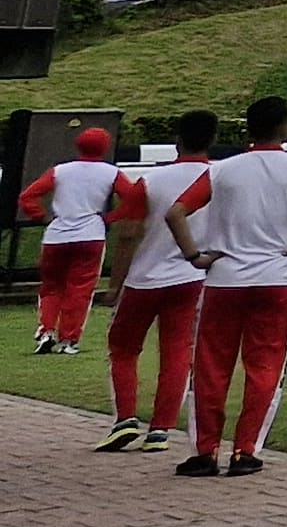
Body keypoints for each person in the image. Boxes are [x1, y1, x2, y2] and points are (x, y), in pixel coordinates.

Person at [164, 95, 287, 475]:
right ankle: (245, 450)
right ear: (285, 127)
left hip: (224, 278)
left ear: (248, 127)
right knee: (265, 365)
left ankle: (204, 451)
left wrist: (194, 255)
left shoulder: (223, 170)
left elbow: (176, 212)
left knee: (212, 365)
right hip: (276, 276)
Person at [94, 111, 214, 454]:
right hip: (192, 275)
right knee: (177, 351)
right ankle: (160, 429)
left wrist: (115, 285)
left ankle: (126, 418)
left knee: (123, 347)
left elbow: (129, 233)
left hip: (145, 278)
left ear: (177, 139)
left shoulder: (151, 180)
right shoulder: (218, 178)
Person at [24, 125, 117, 355]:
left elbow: (27, 197)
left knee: (51, 288)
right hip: (90, 235)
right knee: (80, 289)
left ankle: (46, 330)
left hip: (56, 235)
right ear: (105, 147)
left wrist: (42, 216)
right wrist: (111, 217)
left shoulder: (60, 171)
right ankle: (69, 339)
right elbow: (134, 198)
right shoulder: (110, 172)